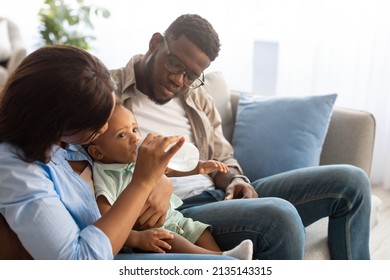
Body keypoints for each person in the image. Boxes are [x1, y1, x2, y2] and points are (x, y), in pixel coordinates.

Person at [110, 14, 372, 259]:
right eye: (174, 64)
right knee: (279, 218)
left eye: (191, 76)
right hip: (179, 211)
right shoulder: (110, 94)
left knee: (352, 182)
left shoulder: (196, 96)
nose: (178, 80)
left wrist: (236, 179)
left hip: (218, 196)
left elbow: (222, 156)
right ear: (156, 43)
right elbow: (92, 169)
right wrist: (153, 182)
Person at [0, 44, 234, 260]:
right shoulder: (19, 169)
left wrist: (160, 178)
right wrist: (143, 183)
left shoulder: (69, 142)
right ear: (55, 122)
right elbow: (80, 262)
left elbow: (125, 163)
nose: (104, 128)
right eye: (96, 124)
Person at [86, 103, 253, 259]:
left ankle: (222, 256)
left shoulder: (141, 160)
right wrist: (136, 238)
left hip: (175, 219)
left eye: (135, 129)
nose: (135, 138)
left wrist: (199, 167)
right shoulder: (105, 175)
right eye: (122, 135)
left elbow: (170, 168)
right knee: (171, 240)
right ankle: (222, 260)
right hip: (149, 231)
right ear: (98, 152)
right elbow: (106, 217)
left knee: (201, 232)